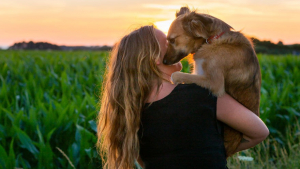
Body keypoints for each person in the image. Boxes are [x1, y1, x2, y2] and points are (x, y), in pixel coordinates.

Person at [97, 25, 269, 169]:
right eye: (169, 42)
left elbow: (146, 162)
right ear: (156, 58)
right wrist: (216, 150)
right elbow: (259, 132)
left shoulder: (130, 112)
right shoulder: (203, 93)